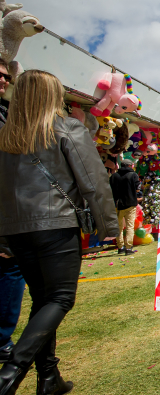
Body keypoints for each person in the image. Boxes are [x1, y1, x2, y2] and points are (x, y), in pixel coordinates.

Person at [0, 70, 119, 395]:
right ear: (52, 96)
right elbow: (93, 182)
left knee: (43, 301)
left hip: (18, 229)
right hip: (56, 224)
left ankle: (49, 377)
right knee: (60, 298)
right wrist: (108, 225)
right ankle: (10, 374)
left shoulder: (6, 137)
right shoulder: (66, 128)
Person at [0, 58, 25, 365]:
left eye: (6, 76)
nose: (4, 81)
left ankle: (3, 339)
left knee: (10, 270)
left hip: (9, 211)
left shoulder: (6, 114)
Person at [109, 158, 142, 255]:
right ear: (130, 165)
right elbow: (137, 190)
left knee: (118, 227)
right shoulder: (133, 175)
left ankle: (120, 247)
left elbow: (110, 190)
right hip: (130, 203)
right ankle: (128, 248)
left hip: (117, 204)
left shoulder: (114, 176)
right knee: (129, 226)